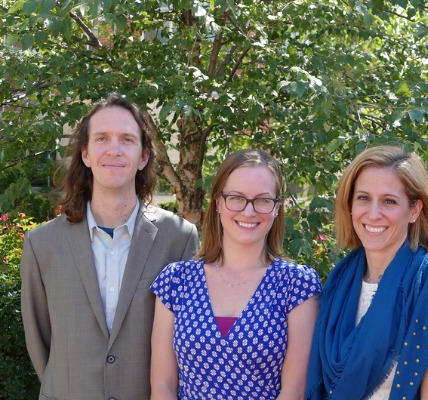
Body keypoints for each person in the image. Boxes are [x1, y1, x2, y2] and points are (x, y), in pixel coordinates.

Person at [20, 94, 199, 400]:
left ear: (143, 157)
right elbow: (40, 342)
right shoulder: (42, 244)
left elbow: (185, 342)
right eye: (102, 138)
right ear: (86, 154)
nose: (114, 149)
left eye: (126, 139)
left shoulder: (179, 238)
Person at [150, 148, 322, 399]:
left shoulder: (297, 285)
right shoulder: (176, 281)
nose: (249, 211)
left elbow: (294, 392)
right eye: (237, 197)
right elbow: (163, 385)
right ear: (219, 202)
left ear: (276, 208)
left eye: (263, 200)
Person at [306, 145, 428, 400]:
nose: (373, 213)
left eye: (389, 201)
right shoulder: (338, 283)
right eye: (363, 198)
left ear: (414, 210)